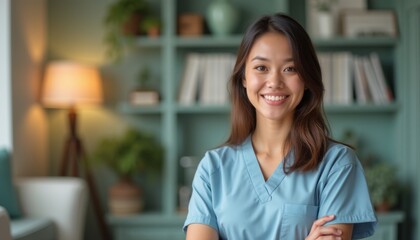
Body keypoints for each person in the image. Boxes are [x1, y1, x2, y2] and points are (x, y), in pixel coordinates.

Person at [183, 13, 377, 240]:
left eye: (290, 69)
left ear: (306, 79)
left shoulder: (337, 164)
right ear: (244, 78)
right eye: (261, 68)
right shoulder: (213, 169)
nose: (274, 82)